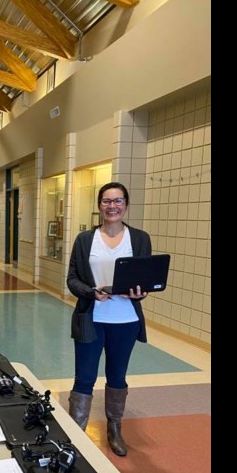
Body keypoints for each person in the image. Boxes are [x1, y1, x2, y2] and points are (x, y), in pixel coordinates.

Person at [66, 182, 151, 455]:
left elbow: (144, 278)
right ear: (99, 205)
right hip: (92, 317)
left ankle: (114, 429)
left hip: (125, 321)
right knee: (84, 378)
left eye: (118, 201)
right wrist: (90, 292)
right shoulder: (84, 240)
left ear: (126, 204)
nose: (112, 206)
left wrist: (140, 293)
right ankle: (75, 433)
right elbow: (72, 279)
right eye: (106, 201)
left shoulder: (139, 239)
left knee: (117, 376)